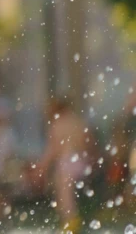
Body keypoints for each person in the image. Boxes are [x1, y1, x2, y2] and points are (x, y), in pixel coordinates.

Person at [32, 97, 95, 233]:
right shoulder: (77, 121)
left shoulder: (57, 124)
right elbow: (89, 144)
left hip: (67, 161)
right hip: (81, 162)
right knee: (68, 191)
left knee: (64, 193)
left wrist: (41, 167)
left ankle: (70, 222)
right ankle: (73, 221)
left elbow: (53, 150)